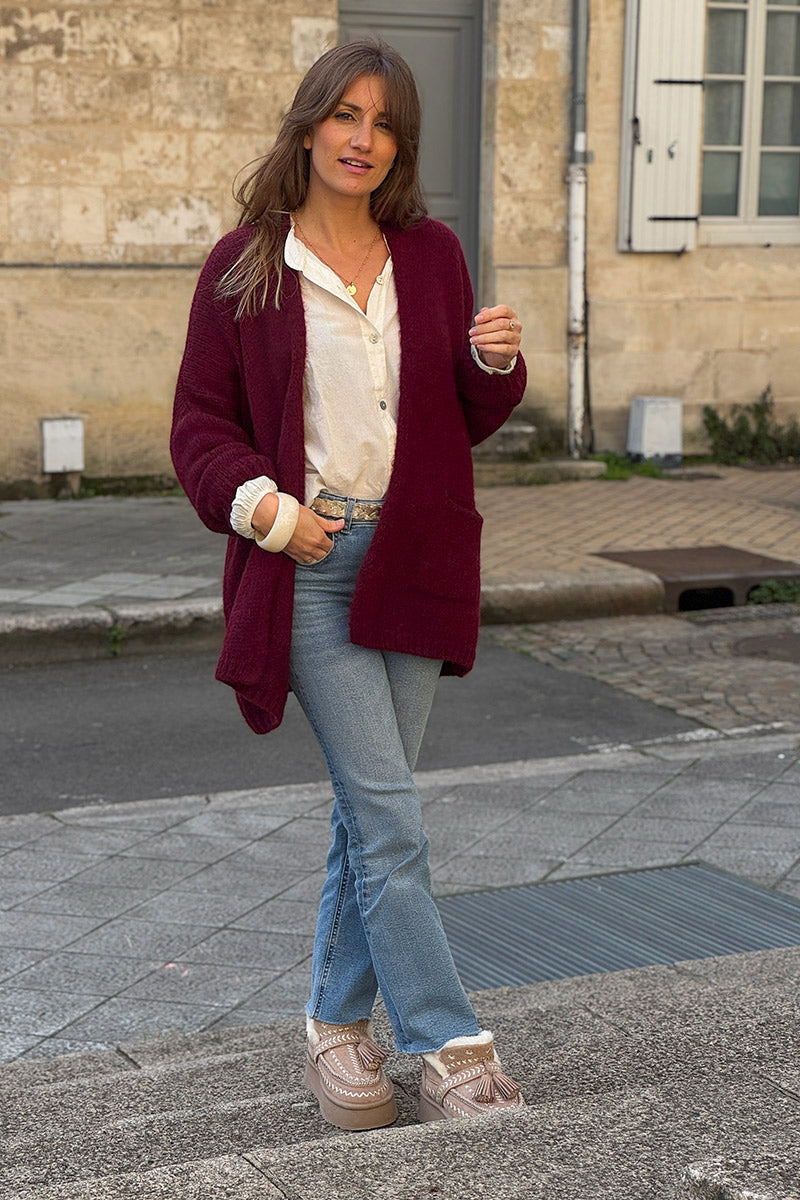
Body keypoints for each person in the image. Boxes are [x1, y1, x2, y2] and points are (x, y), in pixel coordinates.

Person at [171, 38, 527, 1129]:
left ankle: (333, 1030)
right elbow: (198, 430)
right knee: (389, 817)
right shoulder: (246, 265)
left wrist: (493, 365)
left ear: (396, 145)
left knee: (366, 820)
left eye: (382, 123)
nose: (362, 138)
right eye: (344, 116)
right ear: (309, 125)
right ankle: (449, 1042)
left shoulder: (429, 257)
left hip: (415, 561)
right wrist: (271, 515)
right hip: (311, 572)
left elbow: (459, 423)